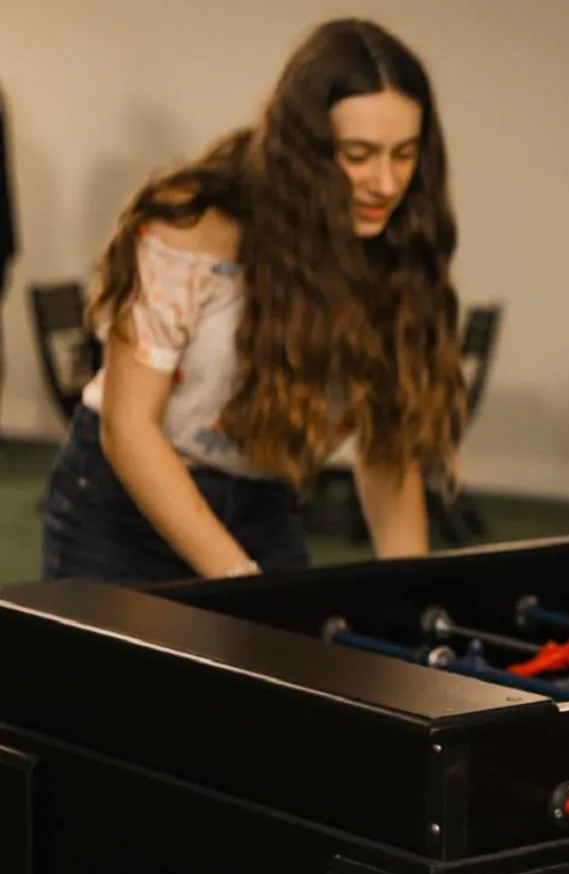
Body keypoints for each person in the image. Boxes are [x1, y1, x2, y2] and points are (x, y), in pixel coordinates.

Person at [40, 18, 466, 586]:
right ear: (306, 150)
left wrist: (410, 598)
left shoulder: (396, 248)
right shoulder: (193, 226)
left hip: (264, 502)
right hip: (121, 506)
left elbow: (387, 449)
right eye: (359, 155)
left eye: (404, 155)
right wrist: (239, 580)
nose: (386, 184)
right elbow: (129, 428)